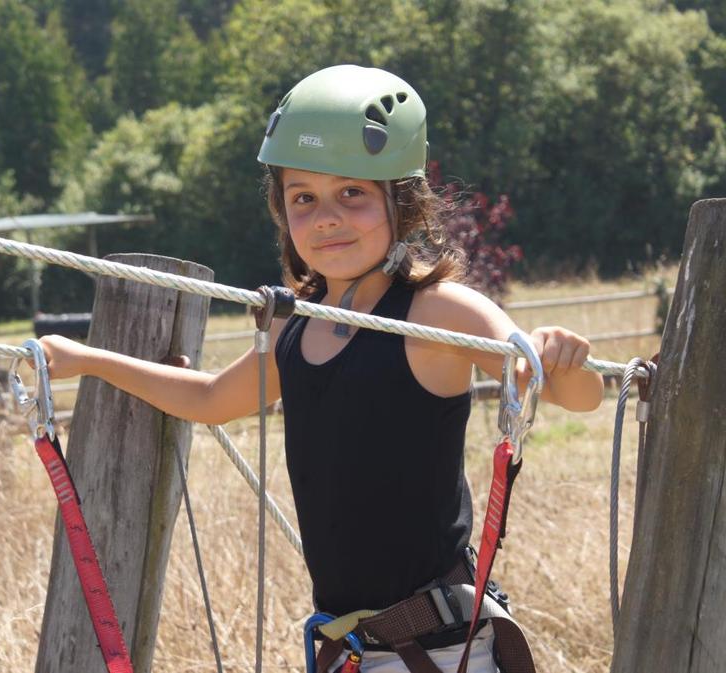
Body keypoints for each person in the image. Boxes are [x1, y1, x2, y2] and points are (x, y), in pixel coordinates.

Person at [38, 64, 604, 673]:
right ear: (283, 212)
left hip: (442, 649)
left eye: (352, 193)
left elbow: (570, 390)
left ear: (403, 202)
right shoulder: (294, 322)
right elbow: (209, 399)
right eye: (303, 198)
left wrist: (555, 357)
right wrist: (89, 360)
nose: (327, 217)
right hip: (349, 650)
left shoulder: (435, 311)